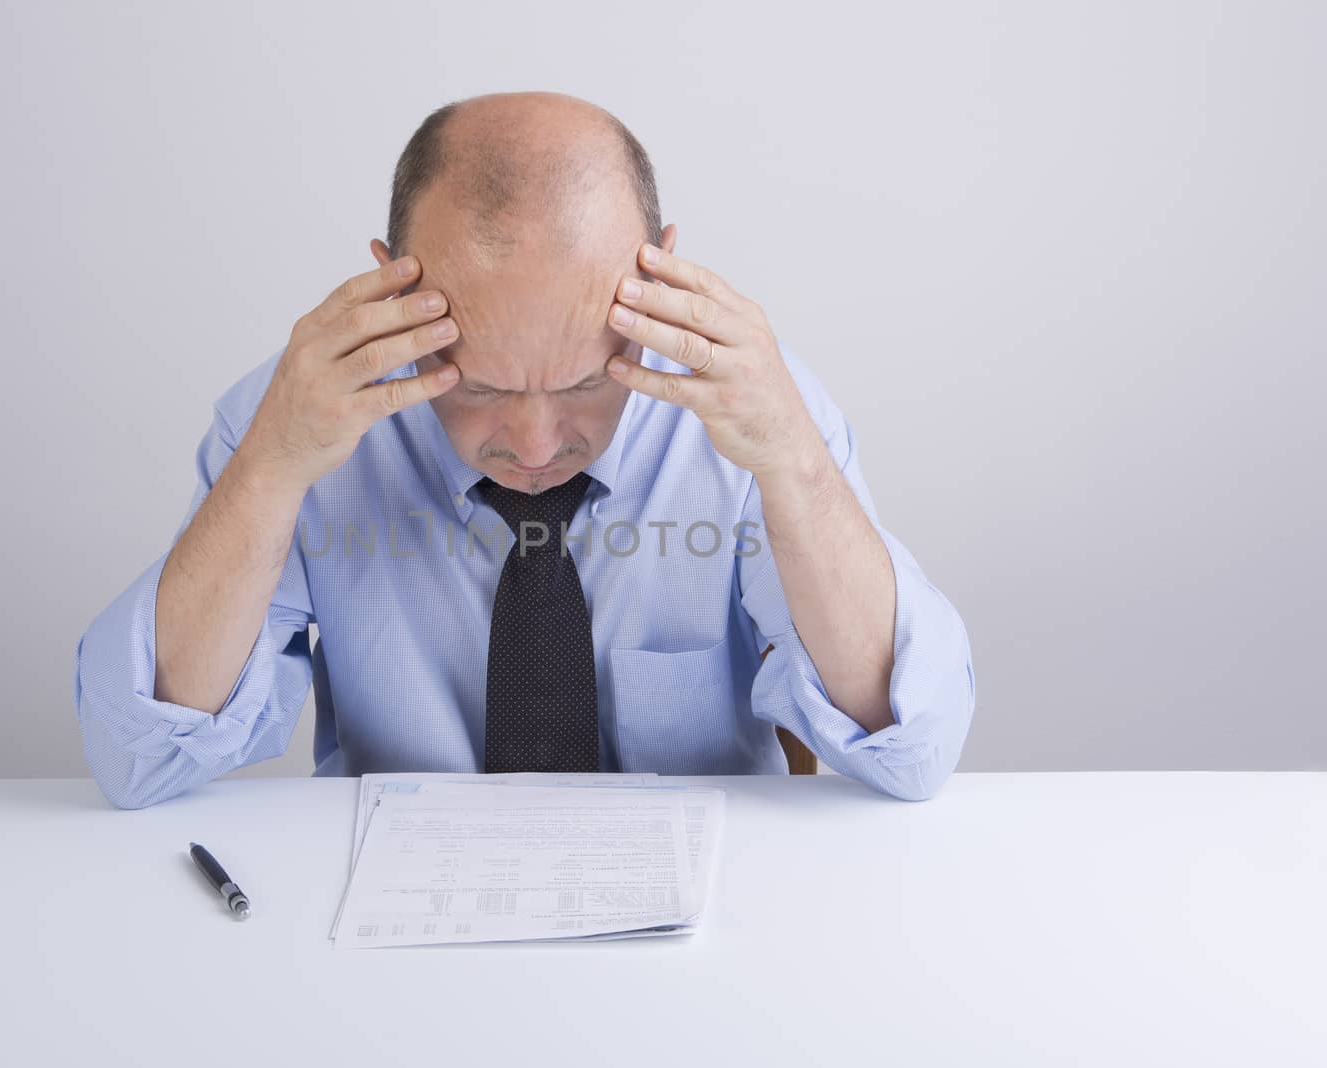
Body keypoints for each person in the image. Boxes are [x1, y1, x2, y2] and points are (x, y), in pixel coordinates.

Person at [74, 91, 975, 809]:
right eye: (479, 387)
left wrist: (796, 466)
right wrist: (270, 469)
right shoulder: (301, 417)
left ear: (658, 272)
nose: (538, 448)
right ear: (391, 286)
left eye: (588, 381)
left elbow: (912, 751)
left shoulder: (754, 412)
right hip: (395, 940)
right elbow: (139, 757)